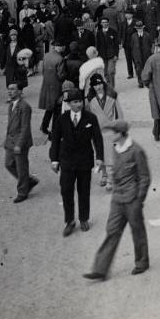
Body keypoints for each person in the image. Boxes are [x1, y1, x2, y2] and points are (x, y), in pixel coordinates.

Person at [83, 120, 150, 281]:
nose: (110, 135)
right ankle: (100, 269)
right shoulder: (116, 148)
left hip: (132, 199)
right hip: (117, 198)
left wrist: (138, 198)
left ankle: (142, 262)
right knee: (112, 231)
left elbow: (144, 177)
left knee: (137, 231)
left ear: (121, 134)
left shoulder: (136, 150)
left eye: (113, 132)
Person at [50, 88, 103, 236]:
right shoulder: (62, 119)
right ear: (68, 104)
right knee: (66, 191)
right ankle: (69, 221)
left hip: (84, 161)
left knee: (84, 190)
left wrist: (99, 157)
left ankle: (84, 218)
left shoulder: (90, 118)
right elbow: (55, 140)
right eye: (75, 102)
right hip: (66, 161)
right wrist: (54, 159)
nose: (78, 104)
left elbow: (97, 138)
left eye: (80, 101)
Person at [87, 73, 123, 191]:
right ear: (92, 87)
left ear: (103, 83)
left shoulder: (112, 96)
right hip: (96, 131)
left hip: (110, 129)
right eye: (95, 85)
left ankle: (110, 180)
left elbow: (119, 113)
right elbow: (88, 116)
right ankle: (104, 174)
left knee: (110, 155)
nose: (98, 87)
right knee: (100, 154)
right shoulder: (90, 101)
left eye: (99, 84)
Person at [4, 83, 38, 203]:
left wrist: (19, 144)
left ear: (20, 91)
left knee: (21, 167)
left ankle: (23, 192)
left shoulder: (24, 107)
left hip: (20, 142)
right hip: (11, 141)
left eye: (13, 89)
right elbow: (10, 125)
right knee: (8, 164)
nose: (10, 92)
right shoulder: (11, 105)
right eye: (9, 89)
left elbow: (25, 127)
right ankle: (28, 181)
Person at [38, 40, 65, 136]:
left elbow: (42, 70)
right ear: (60, 47)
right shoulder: (60, 59)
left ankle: (44, 126)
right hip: (56, 86)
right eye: (62, 46)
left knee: (49, 108)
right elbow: (61, 75)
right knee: (57, 109)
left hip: (47, 84)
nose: (63, 48)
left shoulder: (46, 55)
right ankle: (54, 131)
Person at [96, 16, 119, 88]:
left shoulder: (113, 32)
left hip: (111, 55)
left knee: (110, 71)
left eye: (106, 22)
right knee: (105, 73)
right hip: (102, 55)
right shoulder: (99, 33)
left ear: (108, 23)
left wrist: (116, 54)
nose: (104, 24)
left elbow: (116, 44)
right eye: (103, 22)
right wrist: (98, 55)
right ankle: (108, 85)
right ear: (101, 24)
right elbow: (98, 45)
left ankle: (112, 87)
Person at [130, 20, 153, 88]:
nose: (139, 29)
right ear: (136, 29)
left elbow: (151, 44)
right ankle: (140, 82)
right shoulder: (133, 36)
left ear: (143, 28)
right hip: (137, 55)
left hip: (146, 54)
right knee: (138, 69)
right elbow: (132, 46)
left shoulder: (147, 35)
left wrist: (151, 52)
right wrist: (133, 55)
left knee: (147, 68)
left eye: (140, 28)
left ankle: (147, 80)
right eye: (138, 28)